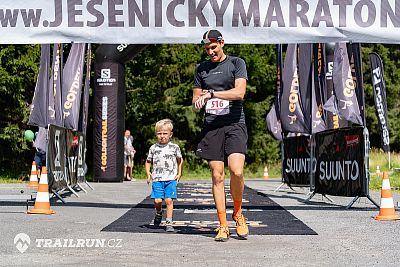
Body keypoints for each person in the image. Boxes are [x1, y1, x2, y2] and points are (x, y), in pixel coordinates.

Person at [192, 29, 249, 241]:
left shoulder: (236, 63)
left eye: (213, 47)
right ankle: (223, 225)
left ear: (222, 43)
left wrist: (213, 94)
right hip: (212, 127)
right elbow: (196, 98)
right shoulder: (202, 68)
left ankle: (238, 213)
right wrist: (199, 102)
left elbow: (239, 93)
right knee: (217, 175)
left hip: (234, 123)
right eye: (207, 49)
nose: (210, 52)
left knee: (236, 171)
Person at [145, 119, 184, 232]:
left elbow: (180, 160)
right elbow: (148, 161)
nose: (162, 136)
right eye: (159, 133)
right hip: (157, 178)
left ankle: (169, 222)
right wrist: (148, 173)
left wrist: (179, 173)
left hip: (170, 178)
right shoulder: (153, 148)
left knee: (168, 200)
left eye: (165, 133)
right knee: (157, 201)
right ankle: (159, 212)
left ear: (170, 134)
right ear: (156, 134)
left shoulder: (174, 147)